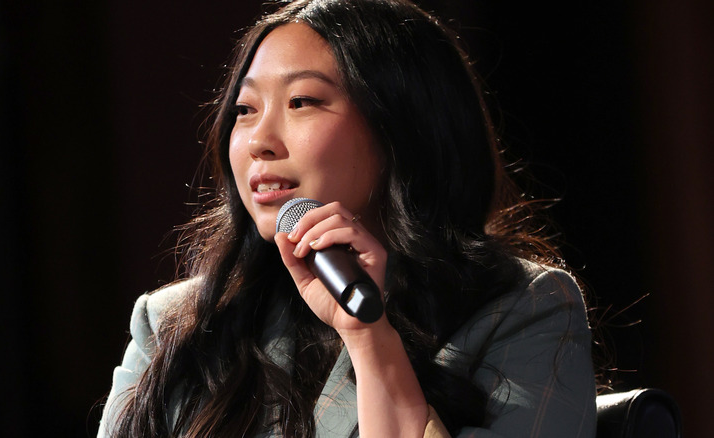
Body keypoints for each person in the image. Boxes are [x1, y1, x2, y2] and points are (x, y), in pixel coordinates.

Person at [97, 0, 596, 436]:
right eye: (245, 109)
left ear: (402, 130)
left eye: (302, 102)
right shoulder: (175, 325)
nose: (258, 141)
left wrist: (370, 338)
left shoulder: (523, 312)